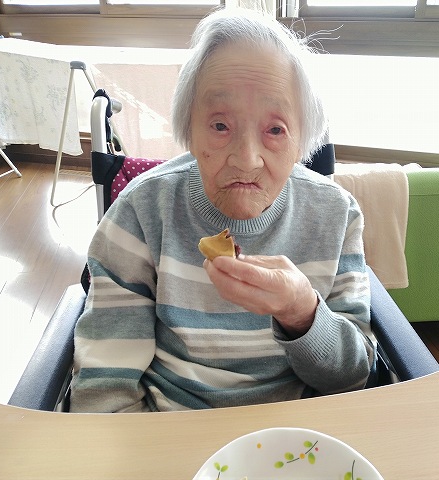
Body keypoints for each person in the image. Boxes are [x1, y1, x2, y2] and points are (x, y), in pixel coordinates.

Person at [70, 7, 376, 413]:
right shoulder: (139, 213)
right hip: (172, 428)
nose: (246, 159)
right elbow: (105, 390)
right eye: (220, 126)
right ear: (189, 129)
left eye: (275, 130)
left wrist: (301, 311)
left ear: (302, 141)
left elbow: (353, 378)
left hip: (296, 434)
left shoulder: (336, 215)